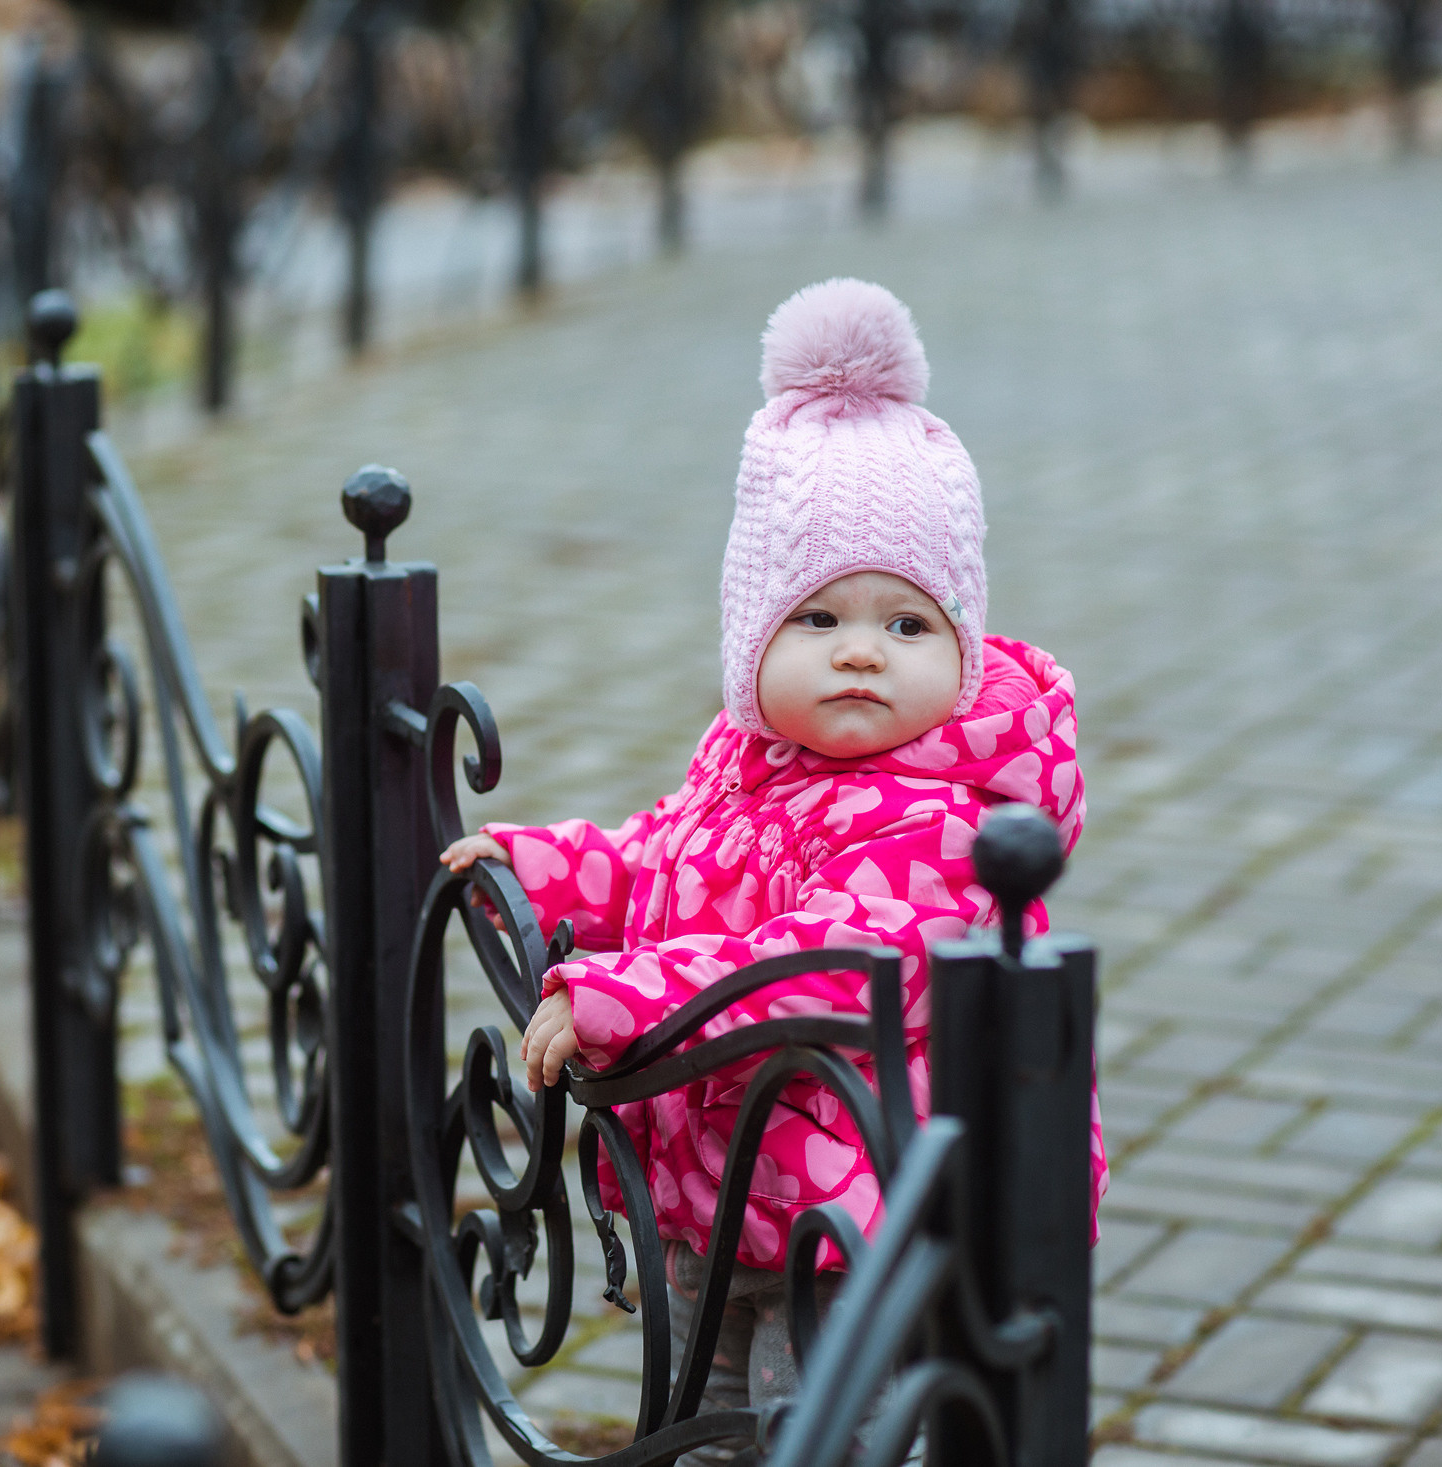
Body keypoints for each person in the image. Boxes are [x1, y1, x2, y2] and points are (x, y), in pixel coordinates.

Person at [439, 278, 1106, 1462]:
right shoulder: (751, 758)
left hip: (853, 1231)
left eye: (907, 625)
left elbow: (824, 968)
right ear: (754, 635)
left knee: (818, 1439)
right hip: (731, 1196)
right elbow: (664, 861)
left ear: (960, 644)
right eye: (818, 620)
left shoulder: (941, 820)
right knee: (708, 1431)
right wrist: (548, 870)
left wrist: (627, 999)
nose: (861, 654)